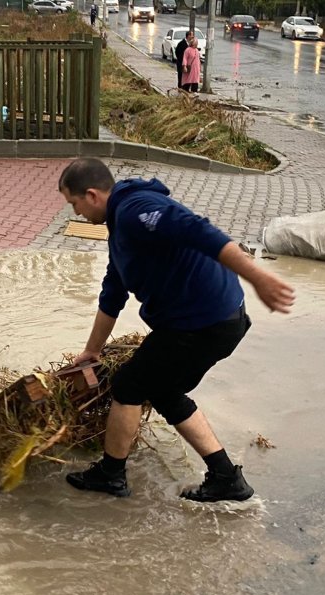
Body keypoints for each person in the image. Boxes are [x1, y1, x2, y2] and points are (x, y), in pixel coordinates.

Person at [56, 158, 297, 501]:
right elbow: (113, 291)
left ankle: (110, 474)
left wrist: (258, 276)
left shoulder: (136, 210)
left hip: (202, 322)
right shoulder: (121, 226)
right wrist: (92, 351)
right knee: (164, 391)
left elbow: (198, 230)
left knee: (128, 385)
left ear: (91, 195)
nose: (76, 213)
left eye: (74, 203)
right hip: (212, 321)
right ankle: (226, 477)